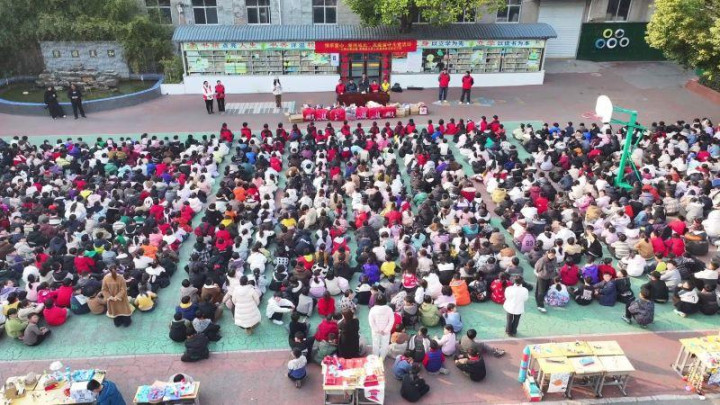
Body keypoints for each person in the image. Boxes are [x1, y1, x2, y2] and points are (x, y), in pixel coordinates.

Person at [368, 293, 394, 359]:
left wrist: (377, 330)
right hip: (386, 331)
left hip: (376, 331)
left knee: (375, 344)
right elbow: (391, 321)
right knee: (385, 345)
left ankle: (376, 357)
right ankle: (382, 358)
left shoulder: (373, 309)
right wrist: (386, 330)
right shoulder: (389, 309)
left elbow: (371, 321)